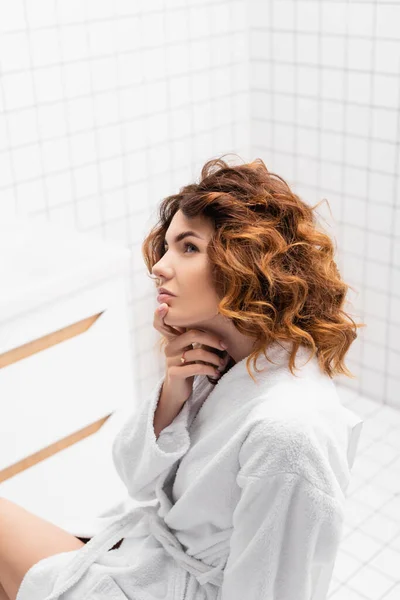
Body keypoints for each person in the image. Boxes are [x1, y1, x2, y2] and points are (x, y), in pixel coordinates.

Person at [10, 155, 365, 600]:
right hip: (152, 559)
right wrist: (171, 391)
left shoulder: (288, 431)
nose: (160, 265)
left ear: (245, 265)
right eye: (169, 246)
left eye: (189, 247)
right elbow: (135, 479)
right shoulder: (223, 360)